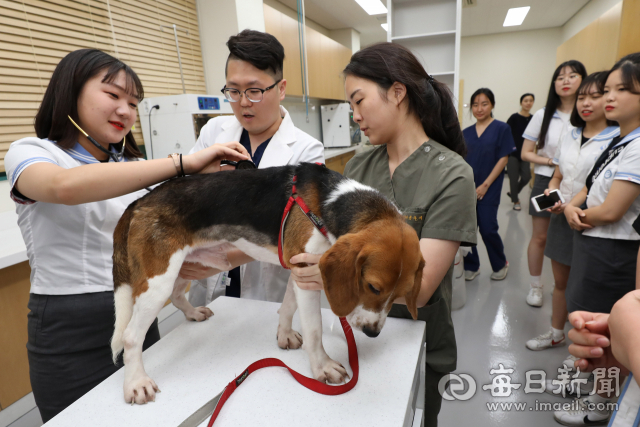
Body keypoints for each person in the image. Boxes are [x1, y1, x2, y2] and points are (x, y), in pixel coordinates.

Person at [3, 49, 249, 422]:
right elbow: (64, 187)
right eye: (113, 95)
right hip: (69, 328)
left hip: (137, 316)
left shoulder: (134, 168)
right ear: (70, 92)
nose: (125, 111)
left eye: (133, 103)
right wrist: (182, 164)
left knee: (145, 417)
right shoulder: (33, 153)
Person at [287, 42, 477, 427]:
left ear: (397, 92)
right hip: (354, 331)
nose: (355, 116)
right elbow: (327, 237)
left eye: (359, 102)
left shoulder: (452, 174)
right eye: (350, 107)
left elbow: (419, 290)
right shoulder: (361, 163)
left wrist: (325, 270)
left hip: (416, 338)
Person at [181, 30, 324, 306]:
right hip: (208, 281)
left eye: (254, 91)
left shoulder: (307, 150)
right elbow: (185, 195)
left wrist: (223, 259)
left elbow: (292, 230)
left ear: (280, 89)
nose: (243, 102)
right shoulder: (214, 131)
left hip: (266, 290)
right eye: (233, 91)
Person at [557, 53, 640, 425]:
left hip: (613, 249)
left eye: (623, 89)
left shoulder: (638, 145)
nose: (609, 97)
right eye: (608, 89)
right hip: (591, 242)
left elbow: (612, 210)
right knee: (585, 316)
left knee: (604, 328)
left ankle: (602, 399)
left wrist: (580, 214)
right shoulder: (620, 140)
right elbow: (591, 188)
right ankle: (591, 381)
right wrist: (574, 208)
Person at [526, 72, 619, 351]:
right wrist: (552, 196)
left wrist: (570, 207)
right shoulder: (571, 133)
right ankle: (556, 332)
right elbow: (558, 176)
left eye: (595, 96)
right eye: (582, 97)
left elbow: (600, 185)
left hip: (590, 221)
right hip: (561, 216)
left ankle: (586, 351)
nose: (586, 103)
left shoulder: (617, 138)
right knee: (561, 283)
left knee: (585, 289)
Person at [521, 60, 587, 307]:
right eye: (560, 77)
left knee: (574, 237)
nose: (566, 81)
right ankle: (536, 287)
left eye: (572, 75)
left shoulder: (588, 112)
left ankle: (567, 288)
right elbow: (527, 152)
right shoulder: (543, 114)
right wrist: (552, 162)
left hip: (580, 182)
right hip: (545, 181)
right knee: (540, 237)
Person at [462, 88, 515, 281]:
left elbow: (503, 158)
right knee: (467, 229)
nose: (479, 108)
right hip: (467, 188)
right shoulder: (465, 133)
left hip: (489, 187)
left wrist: (485, 185)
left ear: (492, 105)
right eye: (475, 104)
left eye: (484, 104)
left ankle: (500, 263)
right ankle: (471, 265)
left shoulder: (502, 128)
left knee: (487, 227)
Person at [506, 93, 535, 211]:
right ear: (521, 103)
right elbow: (506, 134)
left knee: (526, 177)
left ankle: (514, 192)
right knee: (513, 179)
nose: (528, 103)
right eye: (525, 100)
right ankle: (515, 200)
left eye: (530, 101)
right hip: (513, 154)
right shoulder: (514, 118)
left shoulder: (534, 119)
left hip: (526, 154)